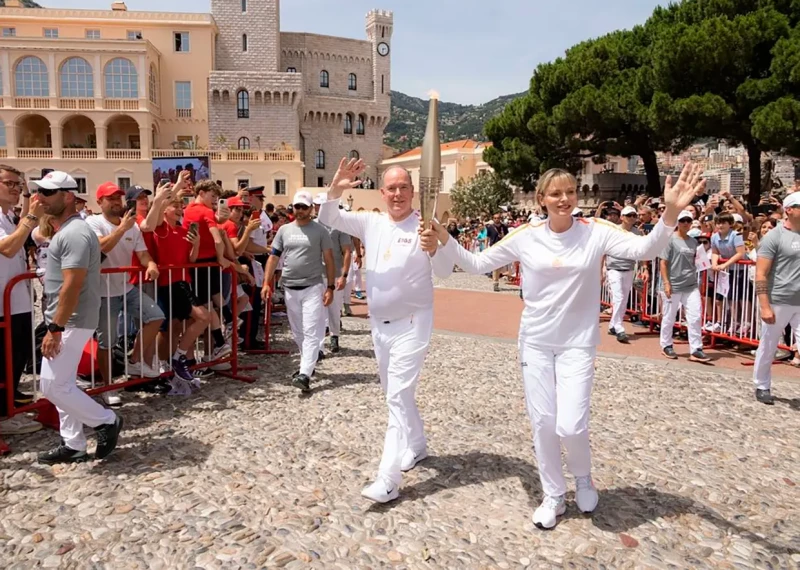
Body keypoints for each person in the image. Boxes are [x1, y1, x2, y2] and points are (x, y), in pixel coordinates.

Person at [422, 162, 705, 529]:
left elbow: (646, 249)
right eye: (555, 193)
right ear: (541, 199)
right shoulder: (527, 235)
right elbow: (476, 264)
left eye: (570, 191)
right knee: (543, 422)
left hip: (577, 344)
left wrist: (669, 212)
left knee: (571, 425)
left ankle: (584, 478)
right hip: (536, 343)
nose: (565, 199)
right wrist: (444, 234)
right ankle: (553, 493)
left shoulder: (595, 231)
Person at [318, 158, 454, 504]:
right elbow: (328, 217)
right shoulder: (371, 222)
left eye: (403, 187)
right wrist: (335, 186)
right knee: (397, 393)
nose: (397, 194)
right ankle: (418, 446)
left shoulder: (425, 226)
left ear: (413, 191)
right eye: (391, 188)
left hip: (413, 323)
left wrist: (435, 247)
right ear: (382, 193)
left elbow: (445, 272)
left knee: (395, 396)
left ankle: (388, 479)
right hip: (380, 327)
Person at [32, 171, 123, 464]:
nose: (40, 198)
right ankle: (74, 443)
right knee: (63, 383)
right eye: (40, 192)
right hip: (68, 318)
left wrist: (56, 328)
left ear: (68, 196)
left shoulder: (74, 233)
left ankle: (106, 420)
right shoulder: (72, 230)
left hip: (70, 320)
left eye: (48, 193)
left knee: (52, 385)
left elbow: (72, 284)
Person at [87, 182, 166, 406]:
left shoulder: (132, 227)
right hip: (104, 292)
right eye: (110, 198)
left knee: (156, 316)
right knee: (106, 342)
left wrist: (150, 264)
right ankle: (107, 385)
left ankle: (133, 360)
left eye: (118, 198)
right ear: (100, 202)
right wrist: (121, 228)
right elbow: (100, 247)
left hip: (126, 287)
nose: (116, 202)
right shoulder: (93, 222)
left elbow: (142, 254)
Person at [261, 190, 335, 392]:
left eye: (304, 207)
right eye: (297, 207)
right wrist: (267, 283)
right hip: (290, 287)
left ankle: (304, 373)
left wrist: (330, 286)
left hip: (312, 286)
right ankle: (308, 365)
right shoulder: (284, 230)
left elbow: (328, 260)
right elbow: (273, 257)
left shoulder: (320, 231)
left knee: (311, 331)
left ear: (311, 209)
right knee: (298, 331)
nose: (300, 211)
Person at [0, 165, 41, 435]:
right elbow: (8, 247)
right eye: (10, 184)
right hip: (3, 301)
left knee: (16, 355)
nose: (16, 189)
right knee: (4, 360)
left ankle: (10, 404)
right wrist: (30, 219)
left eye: (19, 185)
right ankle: (4, 417)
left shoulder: (7, 215)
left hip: (17, 299)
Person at [752, 192, 800, 405]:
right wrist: (764, 306)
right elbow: (761, 272)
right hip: (778, 299)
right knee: (769, 345)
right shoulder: (774, 236)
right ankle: (762, 385)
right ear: (789, 210)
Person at [659, 210, 711, 363]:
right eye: (683, 221)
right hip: (673, 284)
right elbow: (663, 262)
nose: (686, 224)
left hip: (690, 284)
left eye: (688, 221)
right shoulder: (670, 240)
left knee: (695, 317)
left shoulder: (693, 242)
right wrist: (666, 283)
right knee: (669, 317)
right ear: (678, 223)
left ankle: (696, 349)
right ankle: (666, 344)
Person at [314, 192, 352, 354]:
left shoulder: (339, 225)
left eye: (319, 205)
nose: (316, 208)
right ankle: (319, 345)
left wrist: (344, 275)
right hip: (316, 274)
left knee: (334, 308)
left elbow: (347, 251)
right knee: (318, 310)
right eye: (315, 205)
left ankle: (335, 335)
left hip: (335, 273)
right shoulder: (313, 225)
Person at [604, 205, 641, 343]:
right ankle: (619, 327)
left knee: (623, 299)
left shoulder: (637, 233)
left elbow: (641, 250)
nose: (631, 218)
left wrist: (644, 268)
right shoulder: (614, 231)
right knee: (618, 297)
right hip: (613, 268)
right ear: (622, 217)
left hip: (629, 267)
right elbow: (604, 249)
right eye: (628, 215)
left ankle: (613, 325)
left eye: (634, 215)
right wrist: (602, 267)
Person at [486, 212, 508, 291]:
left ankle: (496, 279)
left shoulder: (504, 227)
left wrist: (503, 236)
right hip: (493, 247)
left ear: (500, 219)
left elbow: (507, 237)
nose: (496, 219)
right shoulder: (490, 227)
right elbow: (487, 237)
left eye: (498, 218)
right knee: (495, 264)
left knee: (500, 265)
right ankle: (495, 282)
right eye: (495, 218)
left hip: (501, 247)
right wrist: (486, 247)